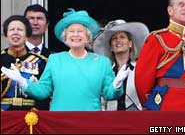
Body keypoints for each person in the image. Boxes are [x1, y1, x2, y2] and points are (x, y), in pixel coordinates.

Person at [1, 8, 129, 111]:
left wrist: (116, 84)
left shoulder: (101, 62)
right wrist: (23, 81)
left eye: (80, 31)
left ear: (87, 37)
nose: (75, 35)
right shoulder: (55, 59)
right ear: (65, 37)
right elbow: (43, 91)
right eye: (71, 32)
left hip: (91, 121)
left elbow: (109, 94)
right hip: (60, 121)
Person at [135, 0, 185, 111]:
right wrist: (152, 105)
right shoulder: (157, 39)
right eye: (181, 5)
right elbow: (142, 81)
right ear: (170, 10)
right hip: (167, 106)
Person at [93, 19, 149, 111]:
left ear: (130, 43)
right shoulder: (105, 71)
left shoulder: (141, 69)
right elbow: (102, 101)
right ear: (111, 47)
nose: (118, 40)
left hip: (137, 120)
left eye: (122, 37)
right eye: (114, 38)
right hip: (111, 121)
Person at [1, 15, 48, 111]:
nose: (15, 33)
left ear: (27, 35)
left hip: (31, 115)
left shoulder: (40, 61)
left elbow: (45, 91)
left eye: (20, 30)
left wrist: (38, 109)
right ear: (6, 34)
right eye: (12, 29)